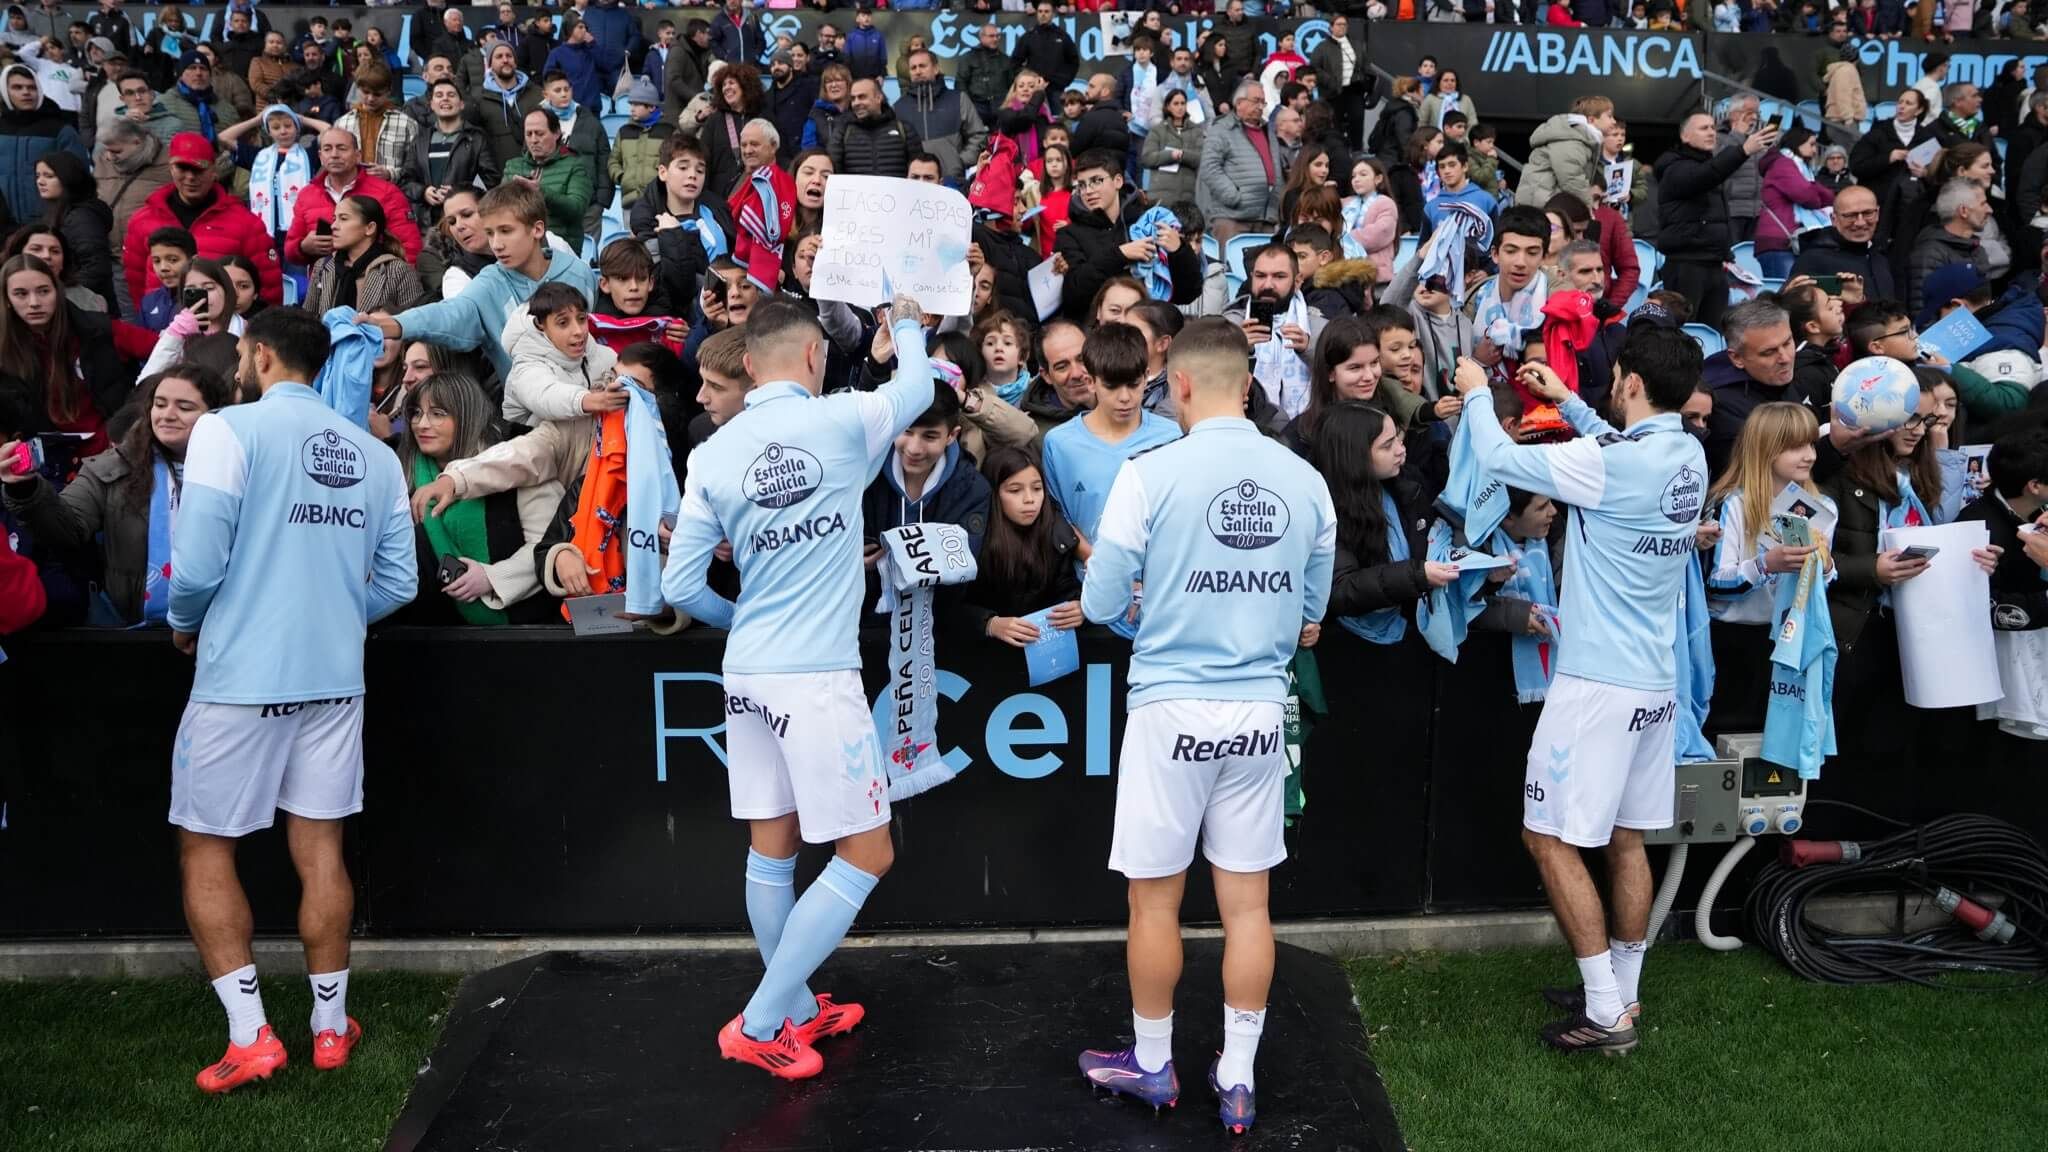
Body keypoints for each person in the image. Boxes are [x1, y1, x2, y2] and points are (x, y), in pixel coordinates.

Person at [657, 294, 933, 1081]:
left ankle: (799, 1008)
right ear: (815, 356)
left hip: (748, 672)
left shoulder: (714, 453)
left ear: (748, 365)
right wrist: (909, 324)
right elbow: (917, 388)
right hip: (815, 678)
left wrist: (742, 615)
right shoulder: (841, 418)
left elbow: (681, 586)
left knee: (771, 851)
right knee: (868, 853)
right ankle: (761, 1021)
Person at [1075, 318, 1334, 1135]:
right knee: (1247, 905)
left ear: (1178, 384)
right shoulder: (1303, 478)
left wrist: (1148, 597)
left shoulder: (1149, 473)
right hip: (1257, 710)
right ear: (1247, 385)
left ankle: (1155, 1065)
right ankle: (1238, 1076)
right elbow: (1312, 610)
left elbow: (1098, 603)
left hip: (1171, 708)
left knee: (1154, 903)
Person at [166, 307, 415, 1094]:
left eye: (242, 355)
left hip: (241, 676)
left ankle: (252, 1038)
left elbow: (195, 566)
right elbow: (399, 582)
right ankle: (330, 1028)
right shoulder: (376, 455)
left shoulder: (226, 428)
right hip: (334, 677)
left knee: (208, 848)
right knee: (321, 849)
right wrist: (330, 613)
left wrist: (185, 622)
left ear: (260, 356)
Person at [1449, 326, 1710, 1055]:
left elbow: (1500, 457)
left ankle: (1604, 1013)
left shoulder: (1613, 463)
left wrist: (1476, 395)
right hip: (1654, 682)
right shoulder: (1686, 452)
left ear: (1631, 383)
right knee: (1626, 837)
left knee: (1545, 836)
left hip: (1596, 683)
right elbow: (1616, 450)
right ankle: (1623, 991)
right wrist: (1568, 400)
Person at [0, 363, 231, 624]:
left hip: (219, 623)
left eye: (185, 407)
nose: (167, 415)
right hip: (133, 627)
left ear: (214, 415)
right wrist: (26, 488)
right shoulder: (112, 466)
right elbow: (65, 528)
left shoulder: (236, 470)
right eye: (160, 404)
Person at [370, 182, 596, 386]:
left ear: (537, 229)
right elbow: (451, 314)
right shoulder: (488, 283)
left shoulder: (579, 273)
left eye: (505, 231)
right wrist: (396, 324)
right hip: (527, 410)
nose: (496, 244)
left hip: (591, 400)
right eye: (490, 234)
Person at [1703, 401, 1835, 624]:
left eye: (1812, 444)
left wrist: (1826, 566)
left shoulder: (1824, 507)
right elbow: (1715, 585)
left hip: (1791, 630)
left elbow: (1819, 589)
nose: (1810, 456)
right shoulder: (1732, 503)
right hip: (1733, 631)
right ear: (1765, 449)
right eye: (1796, 447)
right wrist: (1765, 565)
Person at [945, 444, 1081, 646]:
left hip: (1042, 649)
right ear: (994, 492)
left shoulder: (1055, 529)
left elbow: (1066, 587)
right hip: (981, 654)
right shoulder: (970, 538)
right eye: (1015, 490)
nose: (1030, 499)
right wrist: (989, 624)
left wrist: (1079, 607)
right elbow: (946, 607)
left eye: (1037, 488)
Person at [1656, 111, 1780, 331]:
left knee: (1714, 332)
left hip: (1714, 263)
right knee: (1684, 331)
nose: (1711, 132)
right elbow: (1705, 175)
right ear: (1685, 136)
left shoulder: (1709, 165)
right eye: (1703, 128)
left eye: (1713, 127)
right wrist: (1742, 150)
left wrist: (1724, 253)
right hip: (1686, 265)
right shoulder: (1674, 167)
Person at [0, 253, 132, 459]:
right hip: (42, 459)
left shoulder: (95, 329)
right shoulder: (5, 351)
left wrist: (126, 428)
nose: (34, 302)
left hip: (109, 451)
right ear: (7, 300)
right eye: (21, 294)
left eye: (44, 291)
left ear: (57, 291)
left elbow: (160, 349)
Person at [1961, 430, 2048, 738]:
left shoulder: (2042, 514)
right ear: (2034, 486)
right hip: (2006, 678)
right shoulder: (1976, 528)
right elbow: (1985, 608)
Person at [283, 129, 423, 272]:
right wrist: (303, 247)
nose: (334, 154)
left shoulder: (387, 192)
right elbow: (290, 250)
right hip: (324, 282)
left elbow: (409, 246)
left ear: (358, 155)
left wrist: (397, 281)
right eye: (327, 149)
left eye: (342, 148)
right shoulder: (306, 195)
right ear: (320, 156)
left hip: (373, 278)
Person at [1226, 244, 1325, 421]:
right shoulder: (1229, 324)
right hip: (1247, 424)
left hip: (1309, 427)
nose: (1268, 285)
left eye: (1279, 276)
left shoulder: (1319, 327)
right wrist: (1240, 349)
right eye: (1260, 276)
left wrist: (1308, 349)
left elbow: (1338, 377)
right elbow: (1211, 381)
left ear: (1297, 281)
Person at [305, 193, 424, 319]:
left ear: (370, 228)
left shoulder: (397, 270)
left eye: (343, 219)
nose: (333, 226)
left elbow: (414, 321)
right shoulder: (323, 266)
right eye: (334, 219)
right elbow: (307, 319)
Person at [401, 79, 496, 228]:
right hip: (426, 223)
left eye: (451, 95)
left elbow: (491, 180)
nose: (445, 98)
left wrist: (459, 192)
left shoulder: (477, 138)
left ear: (461, 104)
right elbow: (405, 181)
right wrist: (423, 192)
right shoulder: (420, 140)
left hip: (463, 222)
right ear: (432, 105)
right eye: (439, 95)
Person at [1198, 79, 1281, 243]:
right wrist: (1234, 197)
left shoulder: (1268, 131)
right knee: (1230, 259)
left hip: (1265, 217)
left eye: (1263, 102)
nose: (1260, 107)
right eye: (1256, 101)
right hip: (1232, 218)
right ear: (1239, 103)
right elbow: (1209, 167)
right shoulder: (1222, 129)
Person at [894, 50, 986, 187]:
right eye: (913, 68)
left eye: (922, 66)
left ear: (936, 68)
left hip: (953, 182)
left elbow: (978, 135)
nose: (918, 71)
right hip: (914, 185)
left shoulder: (958, 99)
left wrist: (959, 161)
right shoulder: (899, 107)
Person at [1755, 126, 1836, 281]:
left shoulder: (1798, 167)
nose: (1815, 151)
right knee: (1787, 293)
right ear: (1797, 142)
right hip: (1780, 242)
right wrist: (1815, 189)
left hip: (1789, 241)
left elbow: (1819, 196)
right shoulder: (1782, 164)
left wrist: (1813, 189)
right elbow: (1807, 196)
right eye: (1812, 144)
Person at [34, 149, 113, 307]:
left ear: (68, 179)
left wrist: (65, 295)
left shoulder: (82, 218)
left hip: (86, 307)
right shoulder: (58, 211)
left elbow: (96, 267)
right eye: (38, 176)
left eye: (49, 176)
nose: (40, 181)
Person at [504, 107, 593, 248]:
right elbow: (500, 208)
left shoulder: (575, 166)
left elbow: (577, 209)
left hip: (560, 248)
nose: (533, 140)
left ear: (557, 133)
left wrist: (540, 191)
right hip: (519, 246)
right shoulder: (513, 166)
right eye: (529, 134)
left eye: (539, 134)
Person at [1788, 184, 1893, 300]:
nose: (1860, 222)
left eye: (1868, 213)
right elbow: (1792, 306)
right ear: (1834, 219)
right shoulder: (1812, 260)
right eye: (1850, 216)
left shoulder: (1881, 256)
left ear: (1877, 214)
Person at [1907, 178, 1992, 316]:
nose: (1990, 210)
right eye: (1983, 204)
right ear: (1963, 211)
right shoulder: (1930, 254)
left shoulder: (1978, 250)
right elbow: (1924, 316)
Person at [1517, 96, 1610, 213]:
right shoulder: (1572, 139)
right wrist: (1587, 206)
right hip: (1543, 205)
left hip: (1545, 201)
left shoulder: (1578, 137)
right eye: (1609, 116)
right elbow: (1571, 177)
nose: (1614, 121)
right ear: (1591, 119)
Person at [333, 60, 413, 182]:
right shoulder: (342, 124)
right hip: (352, 189)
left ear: (389, 91)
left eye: (377, 94)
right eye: (365, 92)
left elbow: (414, 168)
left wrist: (390, 174)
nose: (370, 99)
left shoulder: (407, 124)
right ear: (357, 88)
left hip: (392, 190)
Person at [830, 77, 920, 180]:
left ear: (878, 98)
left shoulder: (904, 130)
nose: (856, 103)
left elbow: (920, 170)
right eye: (853, 99)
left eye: (862, 97)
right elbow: (834, 174)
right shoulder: (842, 132)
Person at [468, 42, 540, 170]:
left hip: (537, 171)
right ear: (490, 64)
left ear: (515, 62)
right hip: (499, 174)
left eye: (509, 56)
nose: (505, 60)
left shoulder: (537, 93)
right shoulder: (478, 99)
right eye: (499, 56)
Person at [1142, 87, 1203, 211]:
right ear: (1168, 106)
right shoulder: (1157, 130)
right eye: (1176, 103)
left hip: (1187, 197)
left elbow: (1202, 158)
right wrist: (1170, 155)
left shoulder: (1196, 131)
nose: (1180, 107)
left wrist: (1183, 155)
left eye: (1183, 103)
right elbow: (1147, 158)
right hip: (1160, 196)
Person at [1012, 1, 1079, 98]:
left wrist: (1062, 81)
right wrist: (1028, 80)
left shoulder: (1063, 36)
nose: (1043, 14)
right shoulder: (1028, 36)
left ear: (1053, 14)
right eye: (1040, 11)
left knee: (1057, 109)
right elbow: (1015, 61)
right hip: (1032, 89)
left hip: (1056, 89)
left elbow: (1073, 62)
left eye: (1046, 11)